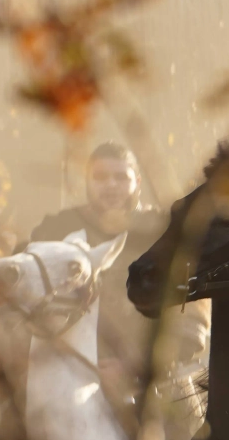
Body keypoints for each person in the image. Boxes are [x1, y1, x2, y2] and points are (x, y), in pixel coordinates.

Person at [30, 143, 172, 402]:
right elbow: (23, 296)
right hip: (62, 371)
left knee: (181, 438)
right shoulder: (55, 230)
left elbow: (190, 320)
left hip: (148, 381)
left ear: (137, 181)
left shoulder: (163, 233)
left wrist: (134, 365)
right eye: (100, 177)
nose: (111, 185)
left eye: (121, 177)